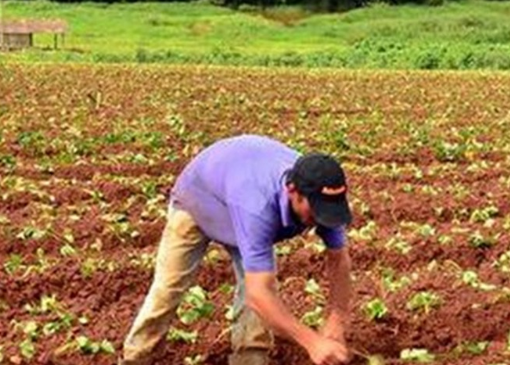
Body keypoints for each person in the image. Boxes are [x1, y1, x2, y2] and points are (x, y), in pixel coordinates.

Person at [121, 135, 353, 365]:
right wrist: (312, 342)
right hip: (198, 197)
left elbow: (339, 260)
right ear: (293, 191)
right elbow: (258, 294)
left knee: (260, 281)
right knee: (169, 285)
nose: (321, 219)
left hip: (239, 186)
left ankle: (249, 358)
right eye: (316, 211)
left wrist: (336, 317)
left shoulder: (324, 198)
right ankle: (137, 356)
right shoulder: (258, 207)